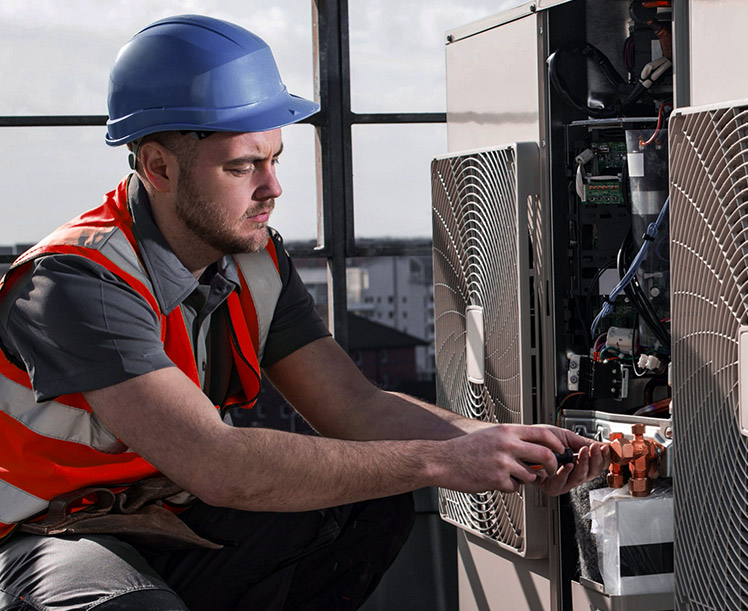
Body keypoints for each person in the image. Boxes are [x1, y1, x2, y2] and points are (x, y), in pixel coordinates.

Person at [0, 14, 605, 610]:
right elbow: (216, 464)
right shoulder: (77, 282)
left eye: (275, 159)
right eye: (242, 166)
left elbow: (356, 407)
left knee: (370, 499)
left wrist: (503, 445)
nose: (273, 188)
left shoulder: (254, 264)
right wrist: (441, 459)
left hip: (169, 513)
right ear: (159, 167)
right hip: (50, 532)